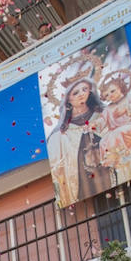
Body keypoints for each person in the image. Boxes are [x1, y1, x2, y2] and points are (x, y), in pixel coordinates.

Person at [47, 76, 107, 208]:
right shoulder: (61, 134)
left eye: (84, 89)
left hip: (107, 172)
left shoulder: (103, 115)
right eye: (76, 92)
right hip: (82, 181)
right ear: (68, 98)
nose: (81, 94)